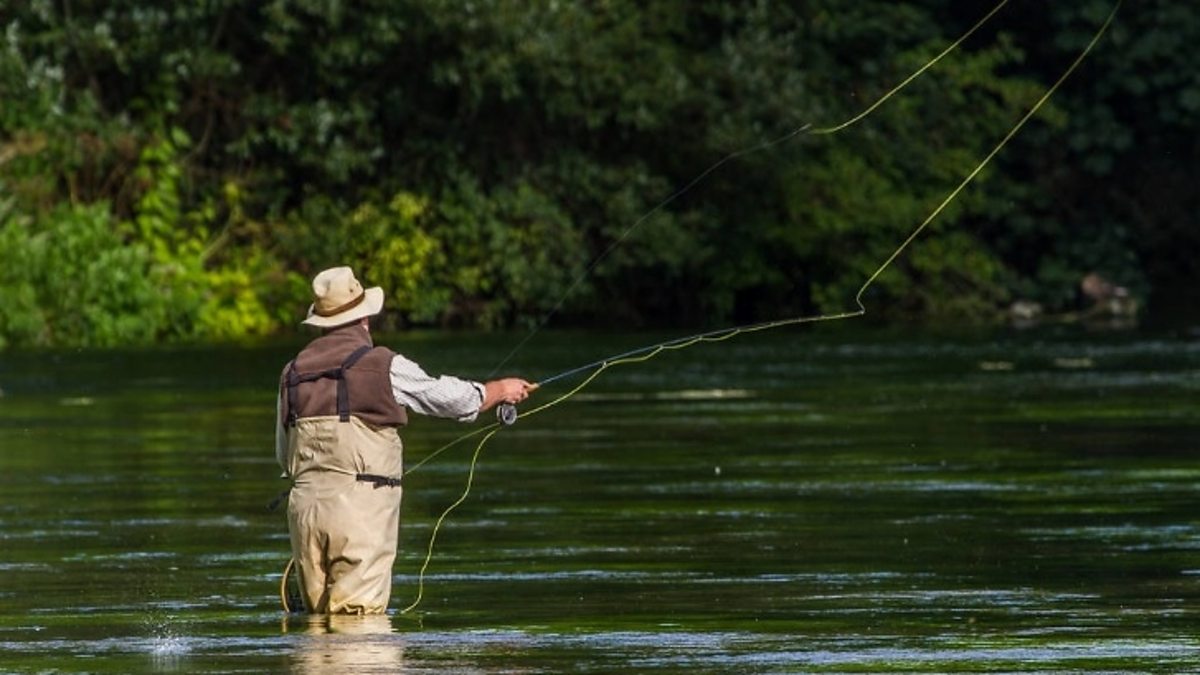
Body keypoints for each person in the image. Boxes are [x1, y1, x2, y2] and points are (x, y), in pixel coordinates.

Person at [275, 266, 531, 614]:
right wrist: (497, 390)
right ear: (365, 318)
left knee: (317, 631)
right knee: (359, 626)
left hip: (303, 513)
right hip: (359, 514)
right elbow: (445, 398)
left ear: (320, 322)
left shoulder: (292, 373)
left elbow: (283, 453)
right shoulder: (382, 365)